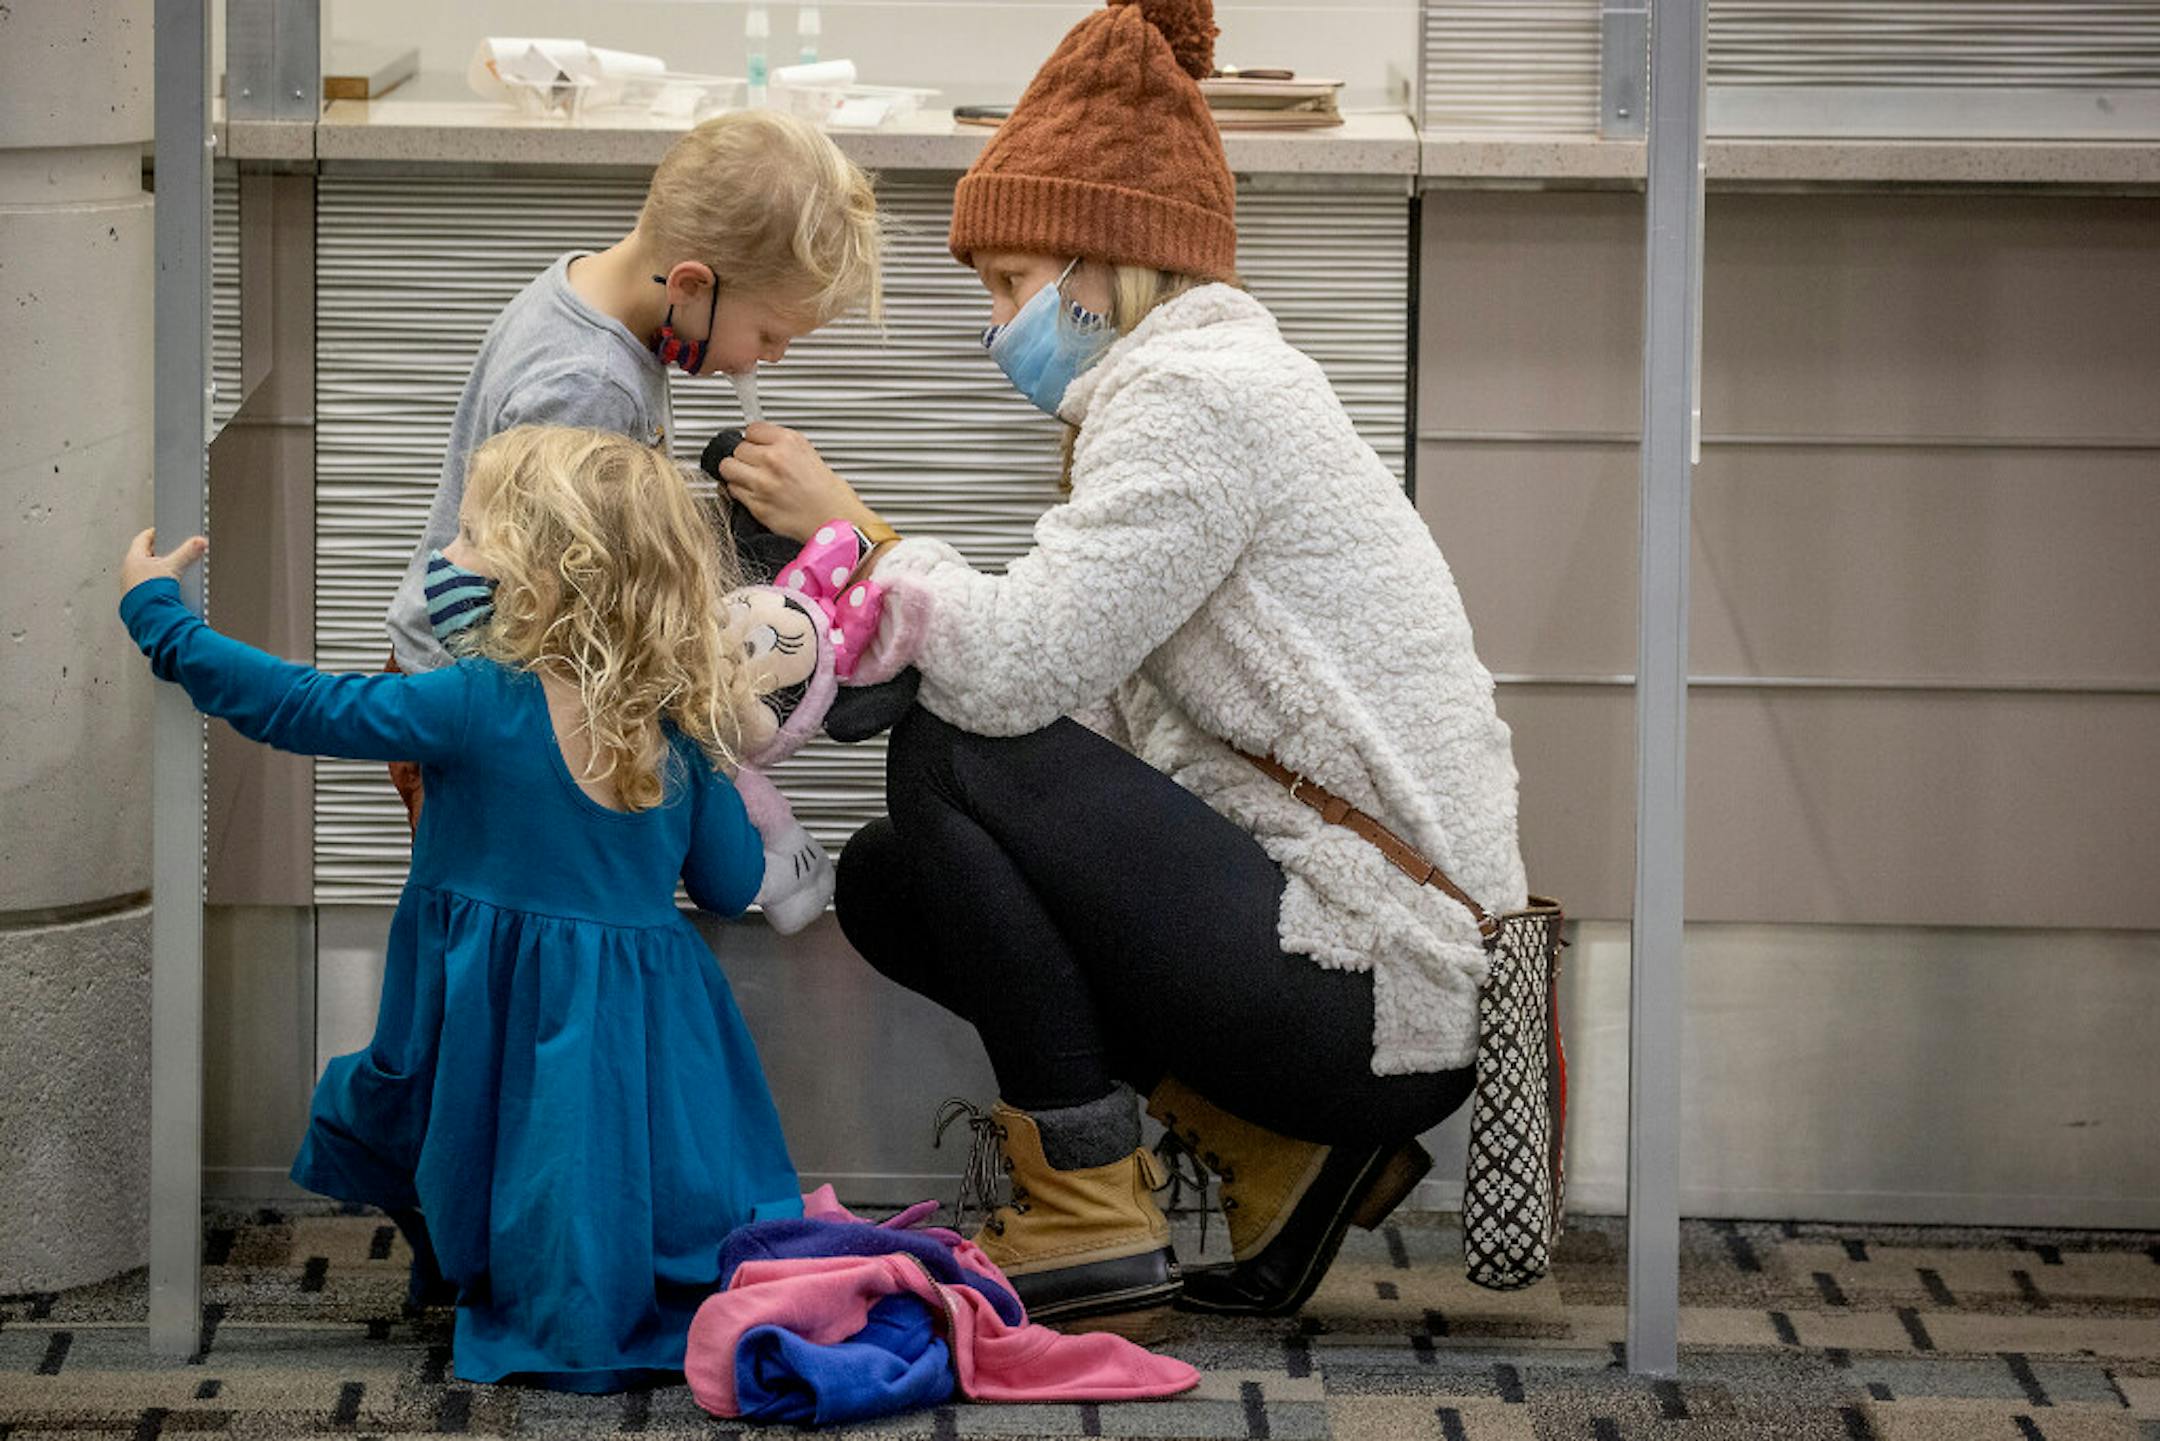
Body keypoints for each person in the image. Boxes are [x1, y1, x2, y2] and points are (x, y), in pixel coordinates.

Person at [715, 0, 1528, 1327]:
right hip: (1355, 954)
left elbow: (1014, 681)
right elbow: (1078, 699)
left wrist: (859, 538)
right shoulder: (1189, 389)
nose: (995, 328)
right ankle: (1281, 1158)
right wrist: (891, 579)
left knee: (951, 750)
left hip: (1379, 984)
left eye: (1008, 284)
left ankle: (1091, 1206)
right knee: (894, 879)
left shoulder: (1195, 400)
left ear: (1106, 264)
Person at [119, 427, 801, 1391]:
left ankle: (518, 1293)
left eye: (472, 536)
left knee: (447, 1124)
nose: (446, 557)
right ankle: (560, 1281)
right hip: (640, 1025)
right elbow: (732, 884)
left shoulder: (477, 700)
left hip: (484, 993)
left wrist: (161, 620)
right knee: (584, 1176)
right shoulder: (677, 730)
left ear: (546, 573)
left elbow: (304, 704)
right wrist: (715, 742)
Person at [380, 110, 886, 826]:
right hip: (483, 712)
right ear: (690, 284)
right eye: (770, 334)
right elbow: (544, 615)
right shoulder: (589, 386)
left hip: (465, 685)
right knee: (505, 917)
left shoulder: (586, 294)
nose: (770, 358)